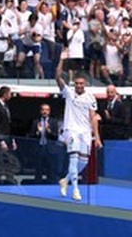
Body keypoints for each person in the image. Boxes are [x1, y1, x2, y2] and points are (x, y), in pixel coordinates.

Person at [56, 49, 102, 202]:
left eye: (81, 83)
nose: (79, 85)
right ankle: (75, 189)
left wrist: (97, 137)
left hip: (85, 132)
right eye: (76, 83)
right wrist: (61, 60)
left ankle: (65, 180)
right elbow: (57, 77)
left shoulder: (90, 97)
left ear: (85, 84)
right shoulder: (68, 93)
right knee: (74, 159)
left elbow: (93, 117)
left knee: (84, 161)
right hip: (72, 130)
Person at [0, 86, 17, 184]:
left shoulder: (6, 106)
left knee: (7, 162)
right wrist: (1, 140)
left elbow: (8, 125)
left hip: (7, 138)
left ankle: (6, 180)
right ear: (5, 94)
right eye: (10, 94)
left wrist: (11, 140)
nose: (11, 96)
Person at [28, 103, 61, 184]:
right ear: (40, 111)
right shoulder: (36, 122)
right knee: (38, 169)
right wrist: (37, 132)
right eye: (43, 110)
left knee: (51, 170)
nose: (45, 112)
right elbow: (31, 136)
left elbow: (56, 137)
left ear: (49, 111)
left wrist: (49, 131)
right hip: (39, 148)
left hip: (50, 149)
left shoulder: (53, 122)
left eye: (47, 110)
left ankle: (51, 188)